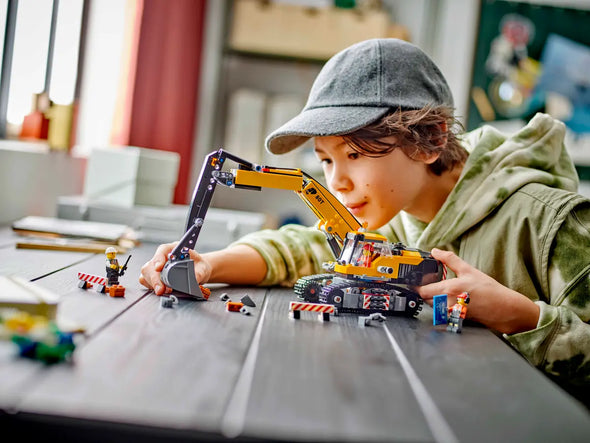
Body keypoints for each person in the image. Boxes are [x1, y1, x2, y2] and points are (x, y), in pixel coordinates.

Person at [140, 38, 590, 395]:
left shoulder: (550, 224)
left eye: (353, 153)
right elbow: (305, 247)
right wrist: (211, 264)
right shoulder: (390, 216)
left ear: (428, 140)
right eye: (327, 160)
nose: (336, 181)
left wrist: (522, 317)